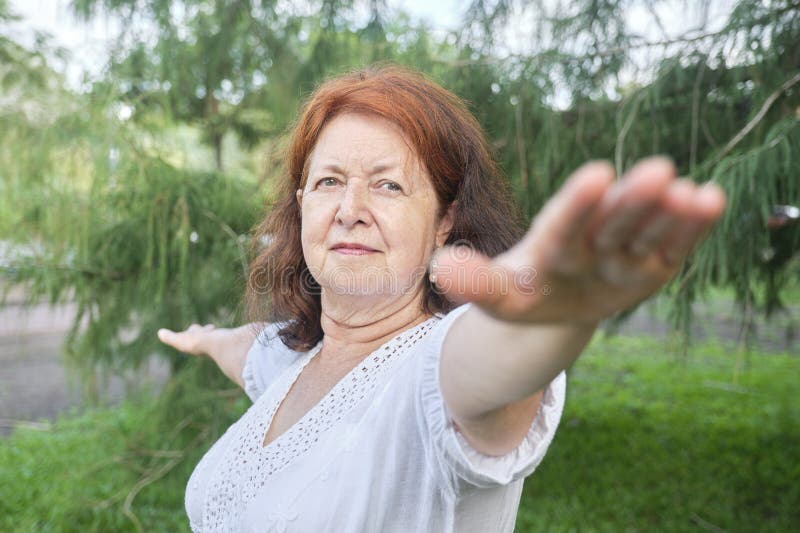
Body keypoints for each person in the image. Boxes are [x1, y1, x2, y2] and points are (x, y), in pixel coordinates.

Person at [157, 65, 726, 532]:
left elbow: (489, 364)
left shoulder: (433, 371)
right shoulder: (294, 356)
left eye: (388, 184)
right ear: (302, 203)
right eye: (329, 181)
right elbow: (252, 349)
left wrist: (554, 318)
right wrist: (206, 340)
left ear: (444, 222)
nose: (349, 208)